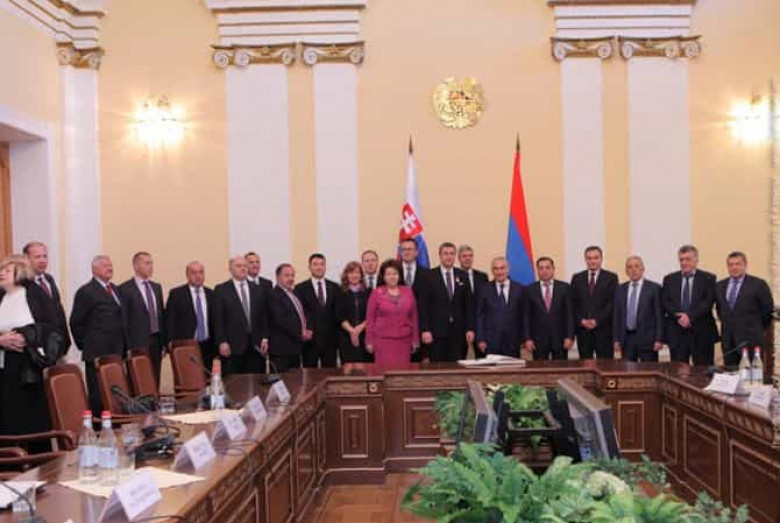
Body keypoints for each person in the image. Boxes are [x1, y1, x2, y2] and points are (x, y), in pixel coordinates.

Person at [0, 255, 56, 444]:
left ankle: (35, 459)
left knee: (29, 420)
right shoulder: (1, 296)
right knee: (7, 420)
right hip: (3, 368)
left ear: (20, 272)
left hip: (28, 368)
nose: (1, 273)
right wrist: (1, 340)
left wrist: (26, 336)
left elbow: (51, 327)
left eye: (7, 270)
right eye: (1, 270)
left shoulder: (34, 293)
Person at [70, 255, 127, 414]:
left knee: (116, 395)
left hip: (116, 352)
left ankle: (115, 424)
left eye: (110, 265)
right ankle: (98, 426)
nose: (109, 268)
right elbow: (76, 322)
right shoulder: (86, 291)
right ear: (94, 269)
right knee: (99, 396)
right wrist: (86, 344)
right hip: (96, 353)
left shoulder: (115, 289)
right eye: (104, 265)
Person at [661, 245, 719, 365]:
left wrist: (689, 317)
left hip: (702, 333)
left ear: (696, 260)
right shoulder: (669, 279)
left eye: (688, 259)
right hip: (677, 333)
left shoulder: (708, 278)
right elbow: (666, 301)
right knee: (678, 371)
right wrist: (680, 317)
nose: (684, 263)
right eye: (681, 259)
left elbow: (708, 302)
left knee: (703, 371)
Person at [715, 251, 774, 367]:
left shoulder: (758, 284)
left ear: (745, 265)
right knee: (730, 374)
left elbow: (767, 311)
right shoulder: (720, 286)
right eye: (731, 265)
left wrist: (756, 328)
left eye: (738, 264)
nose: (734, 267)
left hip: (751, 341)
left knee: (752, 375)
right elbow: (720, 310)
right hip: (729, 343)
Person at [418, 242, 475, 362]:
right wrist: (425, 329)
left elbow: (469, 305)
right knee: (437, 368)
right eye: (445, 253)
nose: (448, 256)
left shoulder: (463, 276)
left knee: (458, 367)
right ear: (440, 255)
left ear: (455, 256)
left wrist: (470, 328)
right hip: (436, 333)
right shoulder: (428, 276)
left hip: (459, 333)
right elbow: (423, 306)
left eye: (451, 253)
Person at [212, 256, 269, 375]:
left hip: (256, 346)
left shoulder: (258, 289)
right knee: (234, 382)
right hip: (232, 346)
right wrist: (222, 341)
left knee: (256, 380)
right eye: (238, 266)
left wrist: (265, 337)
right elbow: (218, 318)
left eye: (245, 265)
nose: (243, 268)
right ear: (230, 269)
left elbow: (264, 316)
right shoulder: (221, 290)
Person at [119, 252, 166, 384]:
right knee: (137, 381)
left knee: (154, 380)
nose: (150, 266)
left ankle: (154, 398)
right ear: (136, 266)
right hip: (137, 343)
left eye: (151, 263)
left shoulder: (156, 287)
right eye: (147, 263)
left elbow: (160, 315)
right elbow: (124, 320)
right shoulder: (125, 289)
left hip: (156, 342)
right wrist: (127, 347)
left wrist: (163, 343)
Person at [366, 260, 420, 367]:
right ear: (383, 277)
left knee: (402, 372)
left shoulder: (408, 291)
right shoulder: (376, 293)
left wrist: (415, 340)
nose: (392, 277)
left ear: (399, 276)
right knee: (384, 372)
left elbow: (414, 317)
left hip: (404, 341)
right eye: (388, 274)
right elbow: (370, 319)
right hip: (383, 341)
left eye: (395, 273)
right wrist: (369, 341)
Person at [570, 246, 618, 360]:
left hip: (604, 331)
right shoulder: (577, 278)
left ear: (601, 259)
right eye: (589, 258)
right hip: (583, 331)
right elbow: (573, 303)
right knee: (585, 365)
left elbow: (612, 304)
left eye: (596, 258)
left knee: (606, 365)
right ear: (585, 259)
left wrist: (597, 320)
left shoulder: (611, 278)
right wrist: (581, 320)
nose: (592, 261)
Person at [23, 241, 70, 358]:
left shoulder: (49, 279)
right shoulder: (23, 284)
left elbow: (59, 310)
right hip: (38, 348)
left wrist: (66, 340)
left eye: (45, 256)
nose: (42, 260)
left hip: (58, 344)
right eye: (37, 257)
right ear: (26, 259)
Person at [166, 261, 215, 370]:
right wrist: (170, 342)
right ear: (187, 275)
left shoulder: (211, 294)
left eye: (201, 272)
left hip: (207, 346)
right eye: (194, 272)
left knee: (206, 377)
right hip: (185, 345)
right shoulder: (177, 294)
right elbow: (170, 320)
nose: (198, 276)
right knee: (187, 377)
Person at [523, 257, 575, 360]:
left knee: (561, 368)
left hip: (560, 339)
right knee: (540, 369)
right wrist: (527, 338)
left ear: (553, 269)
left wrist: (570, 336)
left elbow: (570, 314)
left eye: (547, 267)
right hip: (538, 340)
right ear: (537, 270)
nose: (544, 271)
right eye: (541, 268)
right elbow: (526, 316)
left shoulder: (564, 288)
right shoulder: (529, 290)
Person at [613, 256, 664, 362]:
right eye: (630, 267)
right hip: (626, 340)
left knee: (649, 370)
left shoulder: (654, 288)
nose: (633, 270)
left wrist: (659, 339)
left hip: (648, 340)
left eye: (636, 266)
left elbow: (659, 316)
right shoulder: (620, 289)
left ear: (642, 268)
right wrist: (616, 339)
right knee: (627, 370)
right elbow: (616, 316)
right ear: (626, 271)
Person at [295, 253, 340, 368]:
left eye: (322, 264)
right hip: (310, 341)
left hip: (330, 341)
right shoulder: (300, 288)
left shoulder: (335, 287)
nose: (319, 267)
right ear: (309, 267)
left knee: (330, 373)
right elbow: (300, 314)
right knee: (309, 374)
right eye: (315, 264)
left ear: (325, 267)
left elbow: (337, 314)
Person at [475, 257, 523, 358]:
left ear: (508, 269)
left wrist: (524, 338)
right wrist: (480, 339)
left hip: (513, 341)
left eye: (502, 268)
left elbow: (524, 315)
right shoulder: (484, 289)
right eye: (496, 269)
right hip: (491, 341)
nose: (499, 272)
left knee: (513, 368)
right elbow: (480, 316)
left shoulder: (520, 289)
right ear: (492, 271)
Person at [268, 264, 307, 373]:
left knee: (295, 380)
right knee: (281, 381)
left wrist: (306, 329)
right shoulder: (273, 294)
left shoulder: (294, 294)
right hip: (281, 349)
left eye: (292, 275)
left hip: (295, 347)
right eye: (287, 275)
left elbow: (301, 315)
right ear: (277, 277)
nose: (290, 278)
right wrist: (300, 332)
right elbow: (280, 320)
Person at [399, 239, 429, 362]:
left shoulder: (427, 274)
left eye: (410, 249)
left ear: (417, 252)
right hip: (398, 328)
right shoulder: (393, 273)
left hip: (421, 327)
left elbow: (429, 305)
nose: (407, 252)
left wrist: (426, 329)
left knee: (417, 367)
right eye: (404, 249)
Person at [336, 262, 372, 364]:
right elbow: (339, 315)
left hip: (365, 336)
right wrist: (352, 331)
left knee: (366, 368)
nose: (354, 275)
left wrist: (360, 328)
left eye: (357, 272)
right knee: (348, 368)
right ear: (346, 275)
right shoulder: (339, 292)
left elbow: (372, 314)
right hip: (346, 337)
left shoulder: (369, 292)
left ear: (361, 275)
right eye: (351, 272)